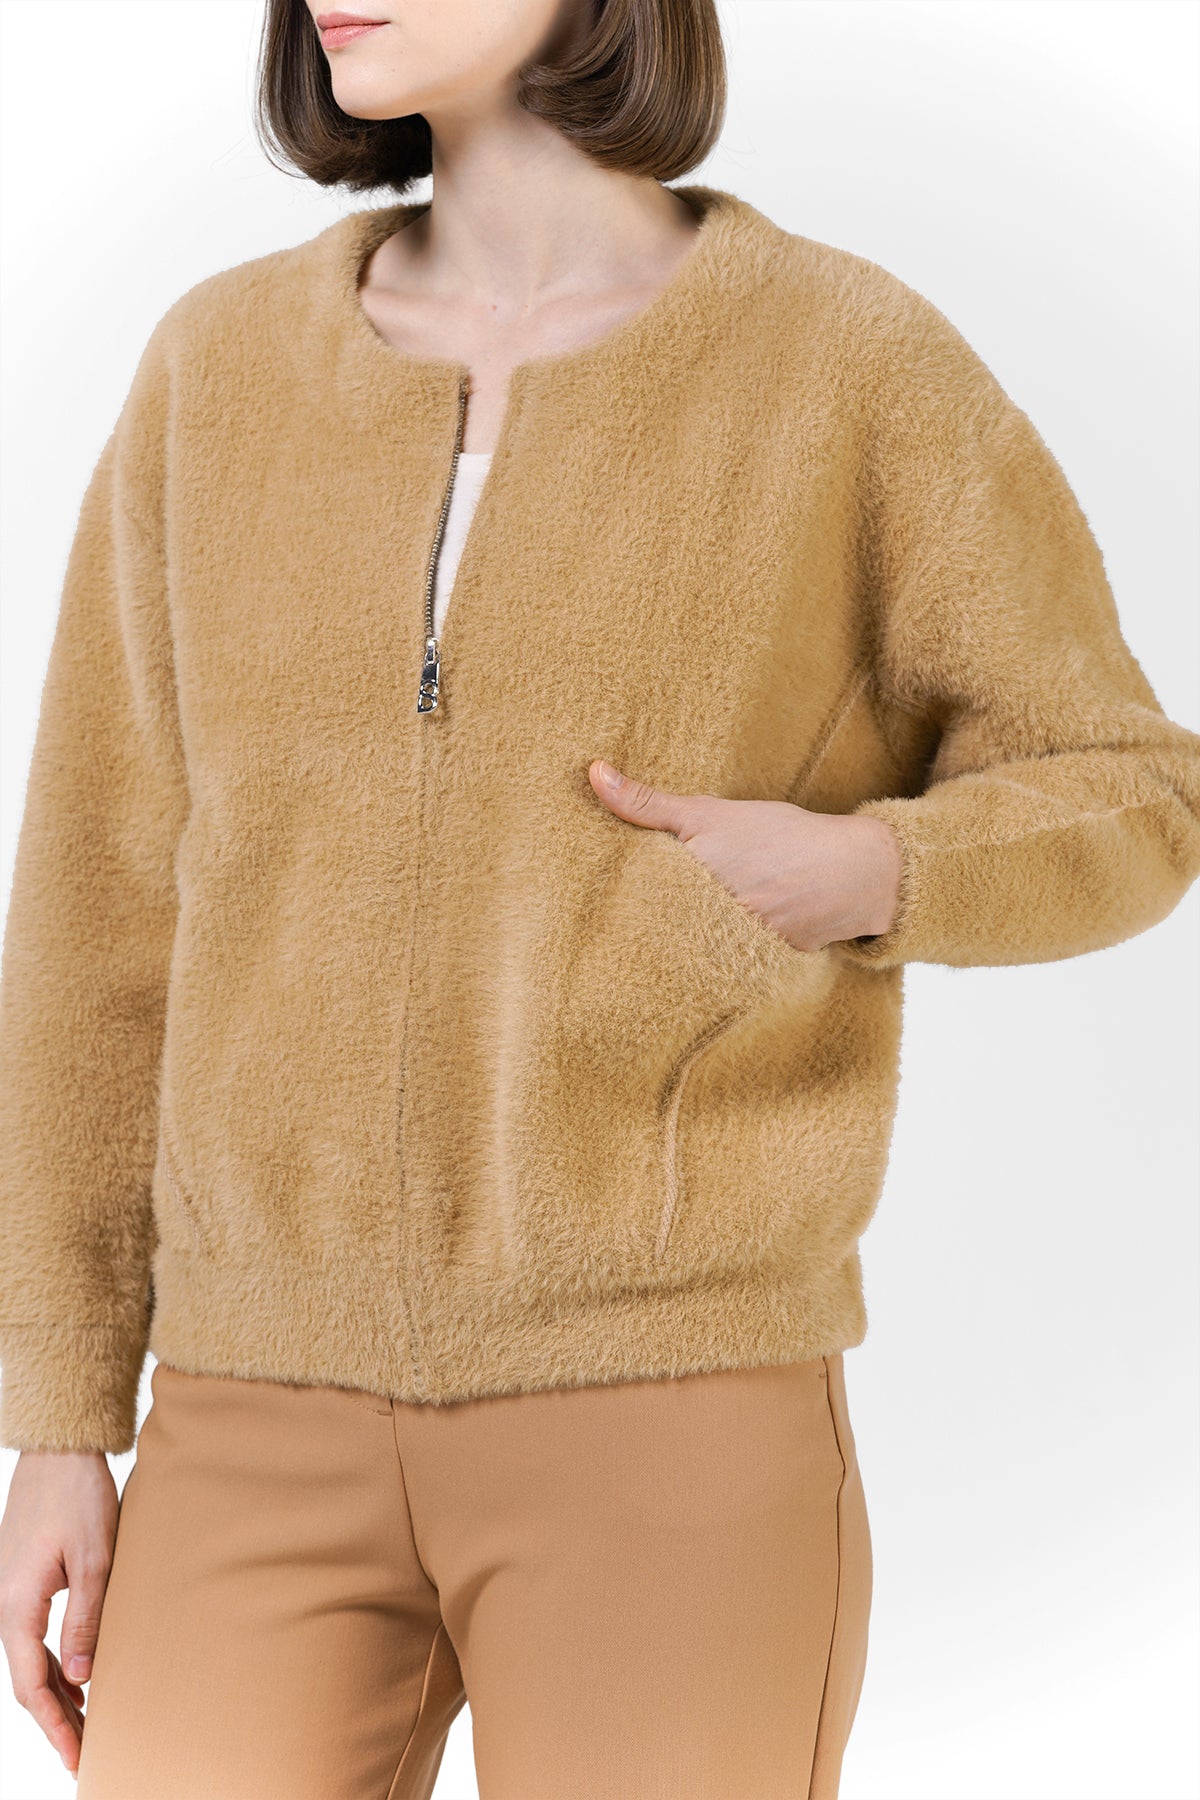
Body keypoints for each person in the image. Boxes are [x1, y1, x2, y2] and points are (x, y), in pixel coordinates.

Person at [1, 2, 1198, 1796]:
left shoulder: (841, 363)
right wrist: (59, 1416)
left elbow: (1132, 788)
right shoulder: (217, 369)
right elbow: (95, 918)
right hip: (250, 1410)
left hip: (667, 1409)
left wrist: (867, 869)